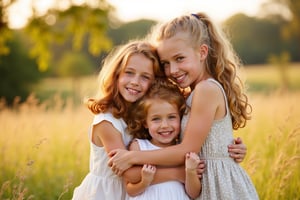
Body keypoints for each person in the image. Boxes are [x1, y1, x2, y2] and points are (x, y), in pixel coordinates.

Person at [108, 12, 259, 199]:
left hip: (218, 184)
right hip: (196, 181)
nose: (173, 70)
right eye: (165, 63)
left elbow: (187, 149)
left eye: (180, 59)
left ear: (202, 52)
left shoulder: (206, 90)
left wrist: (132, 157)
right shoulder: (190, 93)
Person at [72, 40, 168, 200]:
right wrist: (179, 173)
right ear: (116, 74)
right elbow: (129, 173)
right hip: (105, 194)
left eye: (145, 77)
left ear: (154, 82)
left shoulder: (145, 117)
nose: (135, 81)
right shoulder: (107, 122)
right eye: (129, 73)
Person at [125, 78, 201, 199]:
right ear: (145, 122)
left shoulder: (183, 150)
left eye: (171, 117)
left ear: (180, 118)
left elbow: (194, 193)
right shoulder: (139, 146)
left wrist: (191, 171)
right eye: (156, 119)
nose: (165, 125)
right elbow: (130, 190)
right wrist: (145, 182)